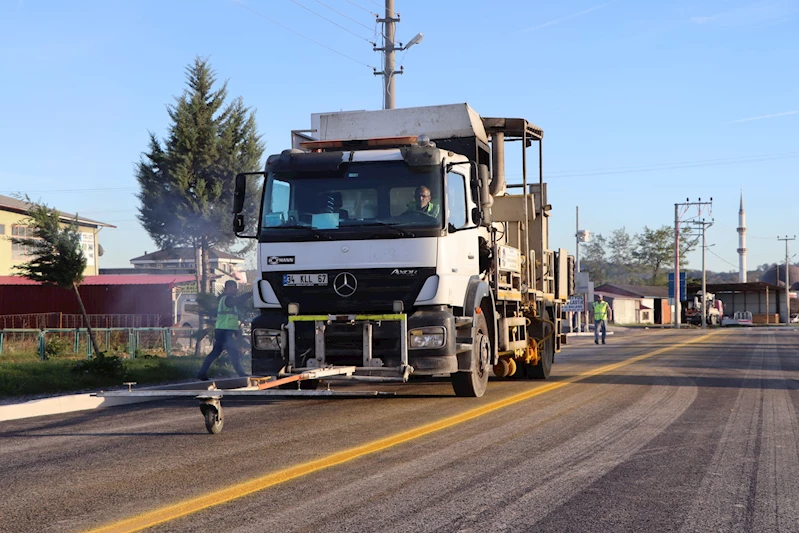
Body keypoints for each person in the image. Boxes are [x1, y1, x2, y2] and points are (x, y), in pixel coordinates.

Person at [197, 280, 249, 380]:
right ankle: (242, 375)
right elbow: (238, 301)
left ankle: (201, 373)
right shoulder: (227, 299)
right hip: (224, 331)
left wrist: (237, 328)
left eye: (236, 287)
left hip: (224, 331)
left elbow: (232, 317)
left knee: (216, 353)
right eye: (233, 287)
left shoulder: (229, 301)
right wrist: (250, 294)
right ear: (226, 289)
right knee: (233, 353)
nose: (235, 289)